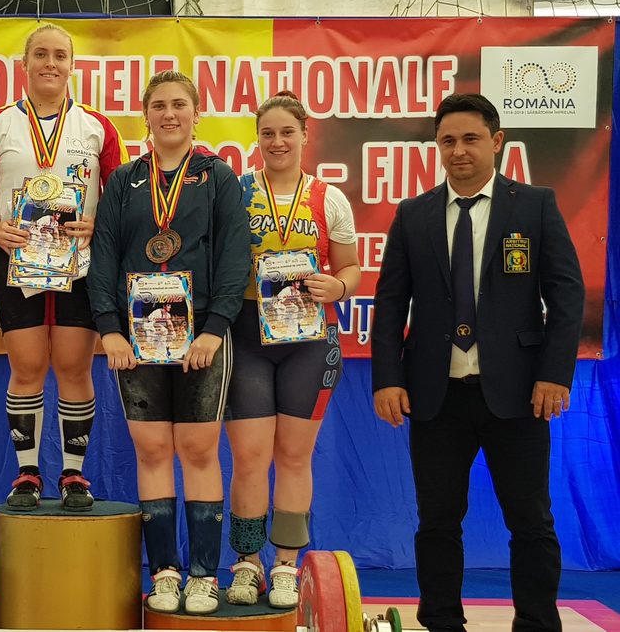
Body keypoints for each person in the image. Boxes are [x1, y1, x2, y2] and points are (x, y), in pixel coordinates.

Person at [371, 93, 584, 632]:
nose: (458, 150)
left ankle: (537, 623)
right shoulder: (413, 214)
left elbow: (566, 297)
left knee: (531, 521)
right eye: (447, 141)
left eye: (470, 139)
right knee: (437, 522)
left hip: (519, 393)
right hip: (435, 395)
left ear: (497, 141)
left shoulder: (535, 205)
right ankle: (442, 622)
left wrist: (554, 374)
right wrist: (388, 380)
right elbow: (391, 304)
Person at [88, 70, 250, 615]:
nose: (169, 114)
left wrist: (215, 328)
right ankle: (163, 571)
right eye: (159, 105)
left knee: (199, 450)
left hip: (201, 336)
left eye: (180, 104)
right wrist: (109, 328)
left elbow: (234, 256)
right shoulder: (123, 180)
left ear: (196, 114)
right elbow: (104, 256)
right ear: (146, 116)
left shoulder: (218, 176)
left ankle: (203, 575)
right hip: (136, 338)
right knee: (153, 450)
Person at [0, 23, 127, 510]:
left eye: (60, 55)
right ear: (24, 64)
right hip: (17, 261)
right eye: (41, 54)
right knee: (27, 365)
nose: (51, 63)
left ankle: (74, 475)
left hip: (80, 264)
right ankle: (28, 473)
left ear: (73, 65)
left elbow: (120, 199)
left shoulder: (97, 127)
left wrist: (97, 223)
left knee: (74, 365)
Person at [223, 92, 360, 607]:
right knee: (250, 457)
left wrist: (338, 287)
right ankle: (246, 562)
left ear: (305, 134)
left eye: (287, 132)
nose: (277, 142)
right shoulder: (234, 191)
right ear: (256, 139)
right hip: (247, 335)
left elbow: (350, 267)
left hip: (309, 339)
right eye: (267, 133)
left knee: (295, 456)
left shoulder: (329, 197)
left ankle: (285, 564)